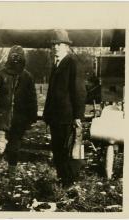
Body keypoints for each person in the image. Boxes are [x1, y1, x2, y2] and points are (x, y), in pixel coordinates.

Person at [43, 30, 86, 187]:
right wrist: (46, 115)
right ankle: (63, 179)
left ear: (67, 46)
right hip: (55, 117)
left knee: (68, 149)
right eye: (53, 44)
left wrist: (77, 116)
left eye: (59, 44)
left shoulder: (72, 63)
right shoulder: (56, 64)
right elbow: (51, 93)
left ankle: (69, 181)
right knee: (58, 150)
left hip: (67, 117)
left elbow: (79, 92)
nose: (55, 47)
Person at [0, 45, 37, 171]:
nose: (16, 59)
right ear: (9, 57)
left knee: (14, 147)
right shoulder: (0, 75)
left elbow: (32, 99)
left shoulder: (27, 77)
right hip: (2, 118)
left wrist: (31, 117)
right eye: (13, 56)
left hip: (19, 120)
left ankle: (11, 173)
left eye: (19, 57)